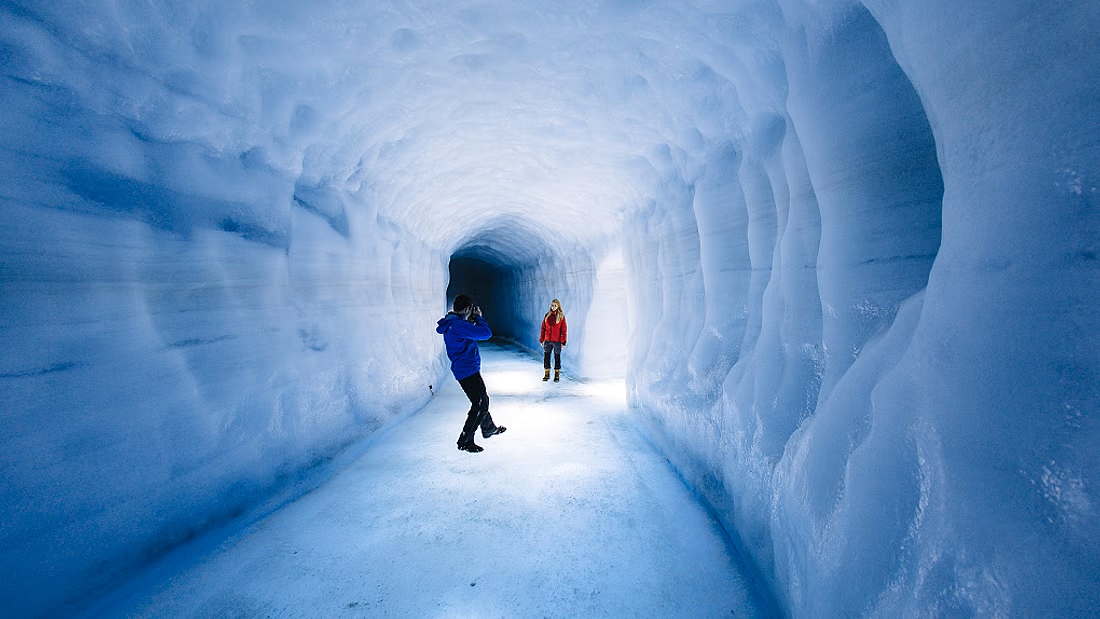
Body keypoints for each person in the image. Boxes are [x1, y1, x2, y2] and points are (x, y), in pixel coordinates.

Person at [436, 294, 506, 453]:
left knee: (481, 400)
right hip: (467, 370)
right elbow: (486, 333)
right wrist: (479, 318)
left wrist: (470, 321)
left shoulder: (452, 323)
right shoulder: (458, 325)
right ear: (467, 308)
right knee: (479, 403)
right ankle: (465, 440)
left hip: (464, 369)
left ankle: (488, 427)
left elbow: (466, 333)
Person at [539, 298, 567, 382]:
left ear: (558, 306)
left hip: (557, 341)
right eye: (552, 305)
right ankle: (546, 374)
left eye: (555, 305)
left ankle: (557, 375)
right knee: (546, 357)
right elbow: (543, 328)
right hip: (547, 341)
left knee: (557, 357)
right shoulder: (547, 315)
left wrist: (563, 342)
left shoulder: (561, 317)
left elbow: (564, 330)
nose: (553, 307)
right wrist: (542, 339)